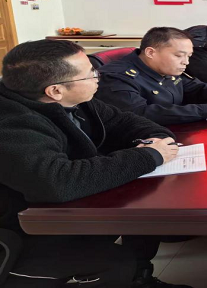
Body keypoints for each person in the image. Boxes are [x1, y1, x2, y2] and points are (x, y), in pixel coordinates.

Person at [0, 39, 190, 288]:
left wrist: (156, 140)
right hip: (21, 230)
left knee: (143, 212)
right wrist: (148, 156)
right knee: (116, 262)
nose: (98, 77)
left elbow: (126, 122)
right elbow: (57, 182)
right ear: (55, 90)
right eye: (90, 74)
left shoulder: (77, 101)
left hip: (66, 207)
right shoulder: (12, 123)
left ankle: (140, 277)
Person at [96, 27, 207, 126]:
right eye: (179, 56)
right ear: (151, 52)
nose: (186, 62)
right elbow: (141, 113)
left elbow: (195, 87)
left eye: (188, 56)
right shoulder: (118, 77)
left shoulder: (164, 69)